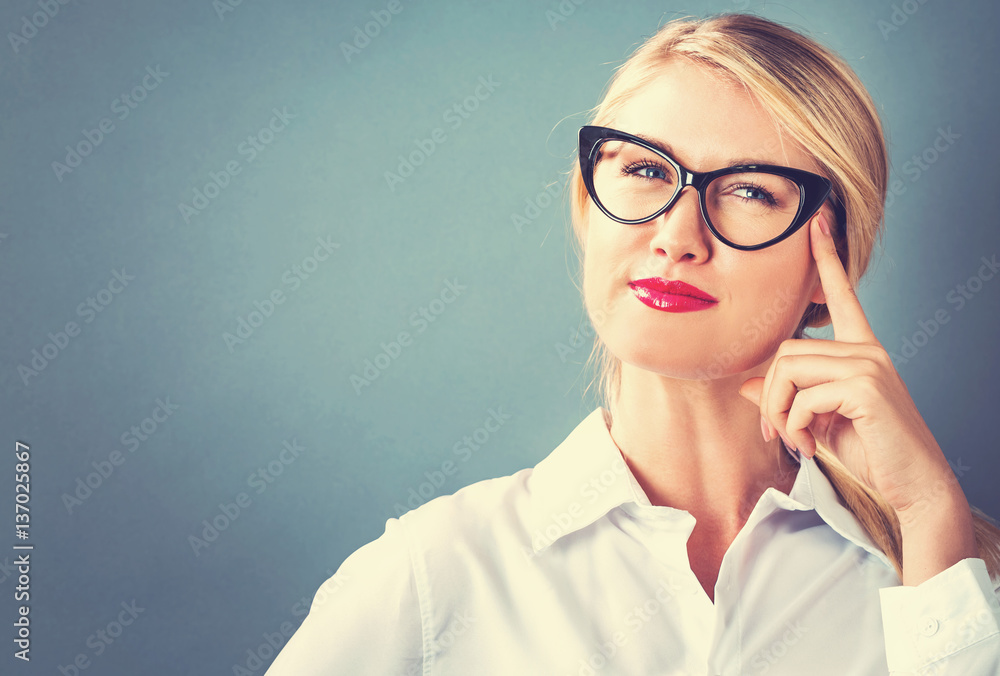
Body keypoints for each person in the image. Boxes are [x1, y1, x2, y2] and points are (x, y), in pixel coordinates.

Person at [266, 13, 1000, 675]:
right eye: (646, 171)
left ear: (830, 259)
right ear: (589, 208)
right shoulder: (432, 575)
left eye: (750, 191)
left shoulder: (952, 584)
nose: (677, 237)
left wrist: (933, 516)